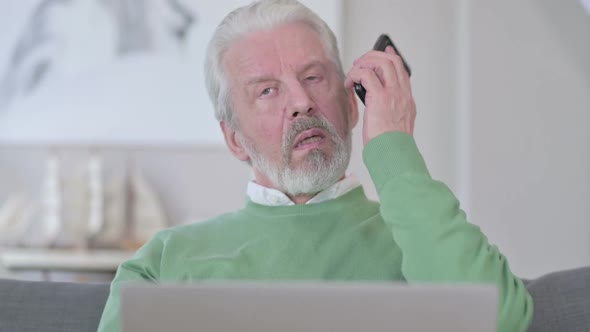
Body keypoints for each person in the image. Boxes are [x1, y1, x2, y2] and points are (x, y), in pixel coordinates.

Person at [97, 0, 533, 331]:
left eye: (313, 77)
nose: (301, 103)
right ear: (234, 139)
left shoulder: (418, 237)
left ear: (350, 102)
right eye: (267, 91)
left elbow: (499, 321)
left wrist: (393, 147)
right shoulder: (165, 263)